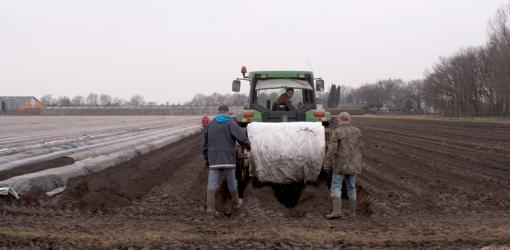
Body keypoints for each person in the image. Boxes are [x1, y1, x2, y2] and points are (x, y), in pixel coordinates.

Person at [202, 105, 250, 214]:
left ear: (218, 112)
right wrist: (247, 145)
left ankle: (210, 208)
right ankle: (236, 203)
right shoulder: (230, 122)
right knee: (232, 182)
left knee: (212, 183)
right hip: (228, 158)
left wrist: (207, 158)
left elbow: (204, 145)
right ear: (227, 112)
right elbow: (241, 137)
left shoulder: (210, 124)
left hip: (214, 158)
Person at [324, 112, 364, 219]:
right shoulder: (357, 131)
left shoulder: (337, 131)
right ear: (349, 120)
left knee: (336, 187)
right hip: (354, 165)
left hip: (340, 165)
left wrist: (327, 164)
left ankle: (337, 212)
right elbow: (361, 149)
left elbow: (332, 150)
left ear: (339, 120)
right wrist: (358, 163)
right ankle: (352, 213)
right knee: (352, 188)